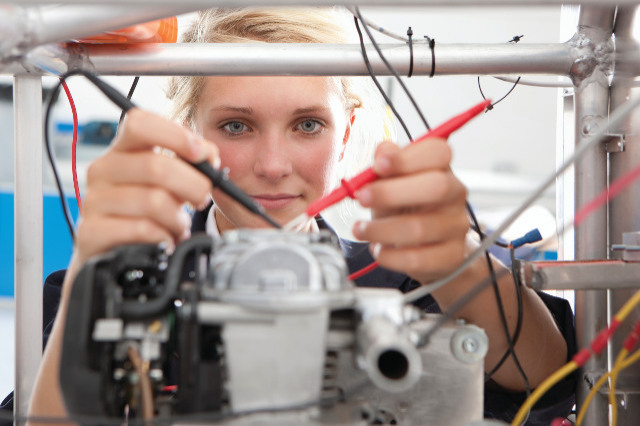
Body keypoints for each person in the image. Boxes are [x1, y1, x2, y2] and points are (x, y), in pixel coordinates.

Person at [18, 6, 575, 424]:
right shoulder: (112, 287)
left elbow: (548, 379)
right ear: (190, 132)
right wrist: (93, 275)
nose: (274, 165)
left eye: (308, 124)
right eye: (236, 125)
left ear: (348, 131)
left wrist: (464, 266)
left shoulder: (404, 281)